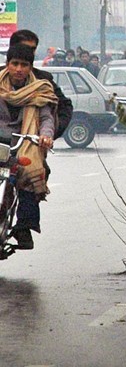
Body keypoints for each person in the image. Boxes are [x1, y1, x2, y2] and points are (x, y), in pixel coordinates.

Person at [0, 44, 57, 249]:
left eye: (24, 65)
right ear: (7, 65)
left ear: (30, 68)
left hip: (24, 143)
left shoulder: (40, 89)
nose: (19, 69)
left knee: (32, 170)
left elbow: (46, 119)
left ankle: (24, 227)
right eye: (14, 64)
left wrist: (45, 137)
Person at [9, 30, 73, 139]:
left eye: (33, 49)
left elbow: (62, 107)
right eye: (26, 48)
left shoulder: (42, 82)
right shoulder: (2, 80)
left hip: (30, 143)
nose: (30, 53)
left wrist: (49, 134)